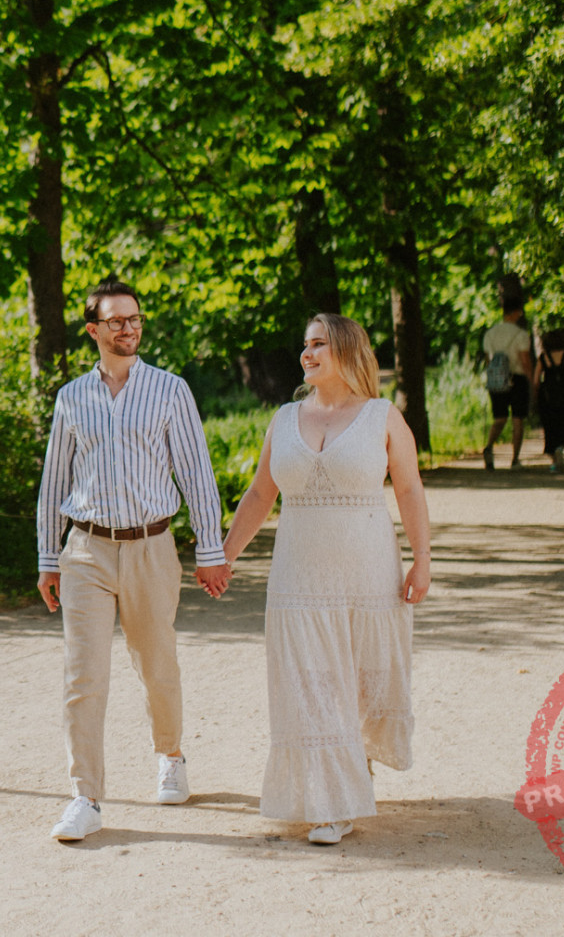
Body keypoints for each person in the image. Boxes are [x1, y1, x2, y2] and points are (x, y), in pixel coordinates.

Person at [208, 313, 432, 846]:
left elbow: (409, 489)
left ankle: (351, 774)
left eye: (318, 344)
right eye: (304, 345)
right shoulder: (284, 418)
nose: (306, 354)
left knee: (358, 680)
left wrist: (421, 559)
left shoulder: (382, 416)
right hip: (298, 576)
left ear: (347, 351)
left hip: (368, 572)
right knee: (309, 681)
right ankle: (332, 802)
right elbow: (261, 495)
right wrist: (224, 556)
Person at [36, 280, 231, 842]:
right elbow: (54, 485)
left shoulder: (170, 390)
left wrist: (211, 551)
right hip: (86, 552)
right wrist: (50, 558)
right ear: (94, 330)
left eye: (135, 319)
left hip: (151, 546)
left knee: (156, 665)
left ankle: (170, 755)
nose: (129, 328)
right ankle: (86, 797)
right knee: (83, 676)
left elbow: (197, 472)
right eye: (116, 321)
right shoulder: (72, 397)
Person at [481, 293, 536, 469]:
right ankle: (515, 458)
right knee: (518, 419)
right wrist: (532, 380)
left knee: (499, 418)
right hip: (517, 378)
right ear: (516, 313)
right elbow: (525, 360)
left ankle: (489, 447)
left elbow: (489, 360)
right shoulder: (520, 334)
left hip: (497, 380)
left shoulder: (490, 334)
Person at [537, 328, 564, 472]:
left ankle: (554, 460)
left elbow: (535, 379)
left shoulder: (543, 358)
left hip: (548, 397)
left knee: (550, 426)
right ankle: (560, 447)